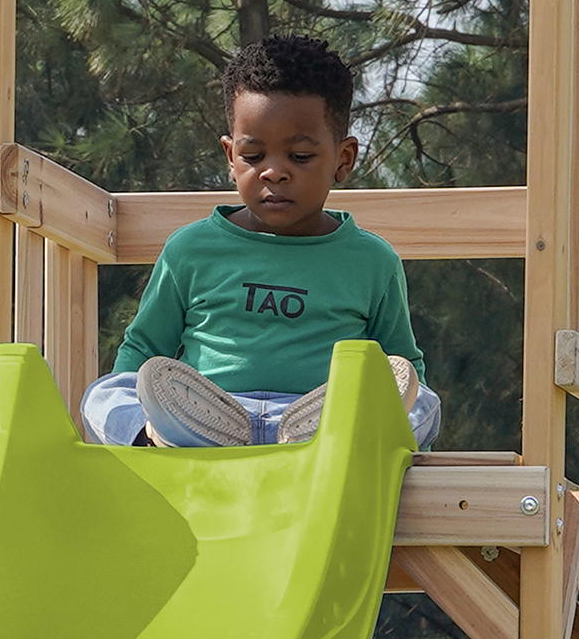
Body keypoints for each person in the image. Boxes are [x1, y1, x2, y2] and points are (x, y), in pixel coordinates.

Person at [79, 31, 434, 451]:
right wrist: (140, 420)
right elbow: (143, 348)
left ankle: (338, 436)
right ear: (230, 158)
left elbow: (403, 365)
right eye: (253, 156)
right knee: (100, 395)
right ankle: (152, 441)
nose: (274, 172)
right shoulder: (190, 250)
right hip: (206, 419)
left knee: (425, 402)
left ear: (344, 159)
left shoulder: (372, 260)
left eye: (299, 157)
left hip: (319, 416)